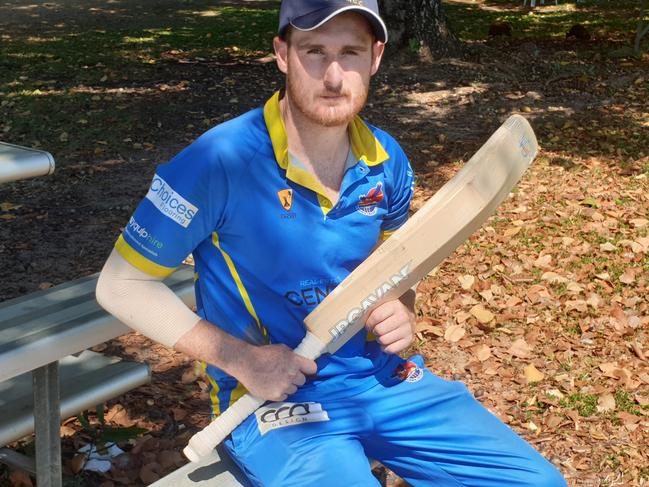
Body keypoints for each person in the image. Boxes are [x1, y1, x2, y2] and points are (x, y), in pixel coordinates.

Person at [97, 1, 568, 485]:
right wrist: (242, 360)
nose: (335, 75)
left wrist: (402, 307)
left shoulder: (388, 161)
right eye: (315, 51)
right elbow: (121, 285)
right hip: (275, 402)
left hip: (384, 381)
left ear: (376, 57)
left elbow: (395, 273)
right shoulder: (218, 161)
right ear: (282, 54)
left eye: (351, 52)